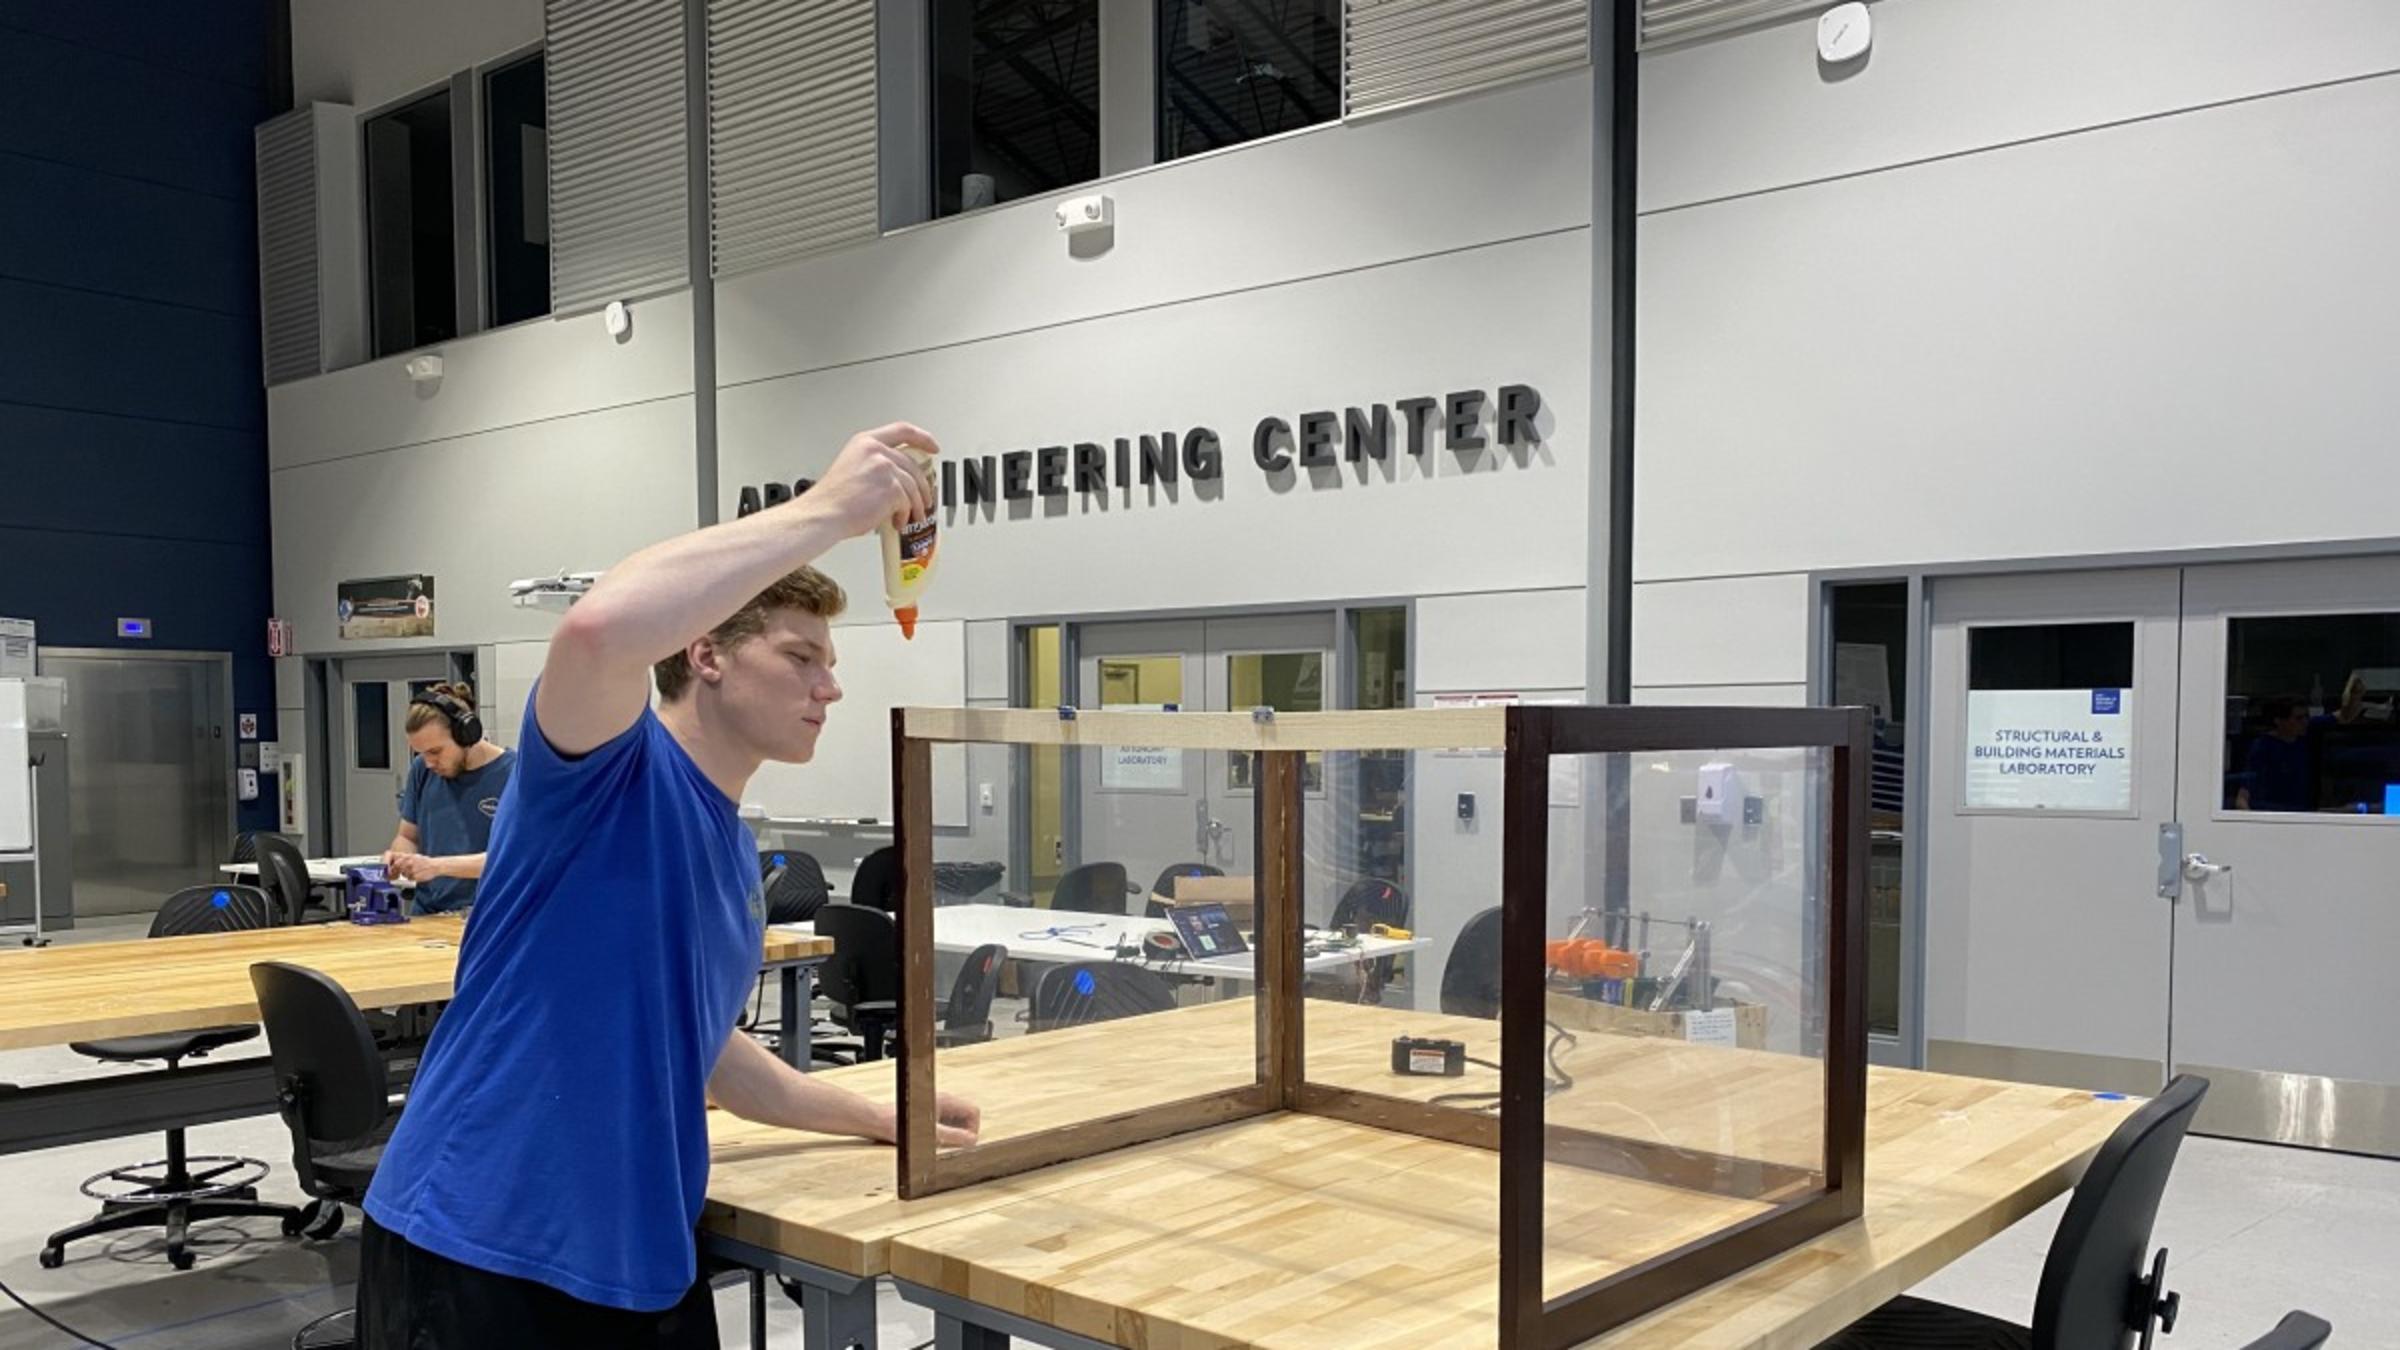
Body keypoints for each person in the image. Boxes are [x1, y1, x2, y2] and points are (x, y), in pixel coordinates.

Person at [358, 423, 980, 1349]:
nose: (829, 687)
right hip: (481, 1243)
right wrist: (828, 511)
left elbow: (704, 1048)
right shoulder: (604, 773)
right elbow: (599, 629)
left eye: (831, 663)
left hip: (639, 1259)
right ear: (706, 654)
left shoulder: (730, 848)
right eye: (801, 656)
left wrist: (868, 1113)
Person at [382, 682, 514, 914]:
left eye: (435, 752)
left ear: (466, 735)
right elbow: (407, 836)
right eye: (421, 753)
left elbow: (513, 858)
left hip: (487, 914)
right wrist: (400, 857)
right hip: (428, 912)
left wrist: (437, 866)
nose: (429, 762)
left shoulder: (514, 776)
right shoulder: (422, 770)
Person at [2234, 675, 2366, 812]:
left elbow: (2345, 716)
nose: (2304, 722)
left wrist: (2355, 696)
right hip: (2275, 813)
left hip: (2306, 813)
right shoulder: (2262, 747)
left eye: (2306, 717)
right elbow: (2244, 793)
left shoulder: (2309, 731)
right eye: (2298, 718)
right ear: (2279, 721)